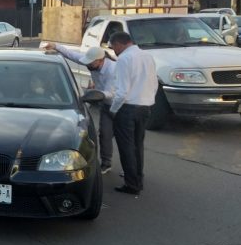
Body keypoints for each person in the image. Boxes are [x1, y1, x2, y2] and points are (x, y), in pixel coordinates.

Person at [44, 42, 117, 174]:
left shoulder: (112, 70)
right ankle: (106, 163)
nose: (88, 65)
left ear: (100, 60)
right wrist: (56, 47)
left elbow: (111, 93)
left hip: (120, 107)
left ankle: (131, 170)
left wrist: (96, 94)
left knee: (125, 140)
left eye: (91, 63)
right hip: (106, 106)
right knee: (105, 135)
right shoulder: (92, 63)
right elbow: (73, 55)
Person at [108, 31, 158, 195]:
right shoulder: (147, 56)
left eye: (113, 47)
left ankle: (131, 184)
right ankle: (138, 179)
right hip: (145, 107)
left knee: (126, 147)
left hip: (127, 108)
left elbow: (122, 91)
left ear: (118, 44)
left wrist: (113, 110)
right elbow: (154, 83)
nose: (114, 51)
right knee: (138, 146)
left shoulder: (124, 59)